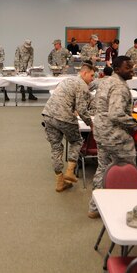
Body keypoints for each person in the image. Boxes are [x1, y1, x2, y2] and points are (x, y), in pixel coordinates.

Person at [88, 56, 137, 218]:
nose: (132, 70)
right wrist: (135, 124)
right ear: (117, 69)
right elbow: (116, 114)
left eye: (132, 66)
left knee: (103, 168)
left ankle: (94, 207)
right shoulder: (120, 87)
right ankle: (128, 208)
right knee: (129, 171)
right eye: (127, 68)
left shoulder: (106, 81)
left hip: (101, 132)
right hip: (116, 135)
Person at [42, 62, 95, 192]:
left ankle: (60, 181)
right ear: (84, 73)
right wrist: (91, 124)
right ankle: (70, 172)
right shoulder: (82, 84)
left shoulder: (67, 80)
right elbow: (82, 110)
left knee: (56, 147)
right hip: (64, 117)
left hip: (48, 114)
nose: (92, 78)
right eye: (92, 75)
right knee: (76, 141)